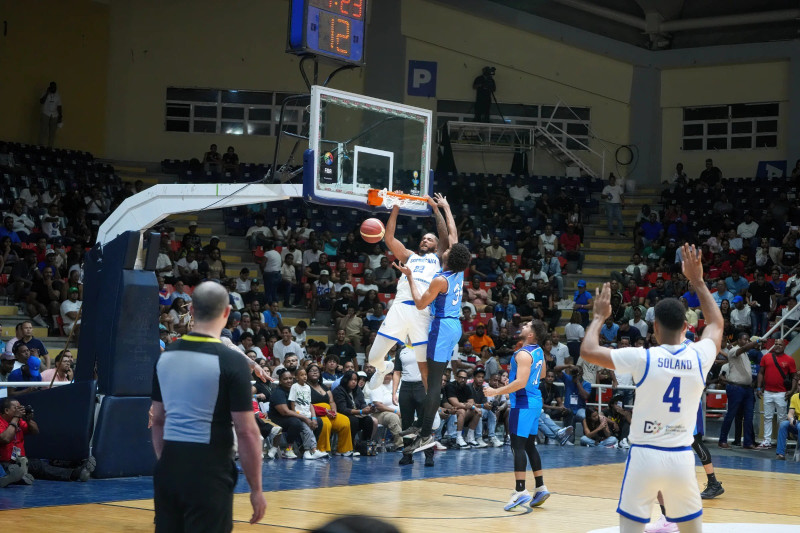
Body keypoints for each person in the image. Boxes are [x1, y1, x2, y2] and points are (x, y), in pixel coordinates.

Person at [579, 244, 723, 533]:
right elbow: (716, 324)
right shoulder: (699, 356)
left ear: (654, 327)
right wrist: (697, 281)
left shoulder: (642, 358)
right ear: (686, 327)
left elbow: (588, 350)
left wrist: (598, 317)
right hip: (680, 457)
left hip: (644, 456)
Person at [150, 281, 266, 531]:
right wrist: (256, 489)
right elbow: (247, 431)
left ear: (192, 310)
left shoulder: (166, 356)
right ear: (227, 312)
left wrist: (166, 463)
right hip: (209, 470)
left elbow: (157, 420)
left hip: (168, 466)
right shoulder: (231, 361)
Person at [366, 194, 455, 391]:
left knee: (424, 368)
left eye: (429, 239)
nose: (425, 240)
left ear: (436, 245)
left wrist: (435, 209)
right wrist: (396, 207)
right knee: (373, 358)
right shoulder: (409, 256)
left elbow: (444, 236)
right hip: (399, 309)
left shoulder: (438, 258)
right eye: (423, 238)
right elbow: (389, 239)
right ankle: (383, 369)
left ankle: (432, 404)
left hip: (421, 312)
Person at [395, 239, 472, 455]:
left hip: (442, 328)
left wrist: (410, 277)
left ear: (450, 257)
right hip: (454, 326)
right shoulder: (459, 272)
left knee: (433, 382)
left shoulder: (440, 279)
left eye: (449, 249)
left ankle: (425, 432)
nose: (446, 248)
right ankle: (421, 424)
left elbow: (421, 304)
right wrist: (443, 216)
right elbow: (453, 236)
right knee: (432, 379)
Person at [484, 320, 551, 510]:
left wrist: (496, 391)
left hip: (523, 404)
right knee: (529, 445)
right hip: (535, 401)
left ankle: (520, 490)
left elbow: (521, 382)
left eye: (527, 325)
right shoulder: (538, 351)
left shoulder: (523, 354)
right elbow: (542, 374)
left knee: (517, 446)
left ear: (531, 335)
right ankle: (540, 487)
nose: (523, 325)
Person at [39, 81, 62, 148]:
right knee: (43, 131)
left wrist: (60, 116)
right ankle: (41, 146)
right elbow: (41, 101)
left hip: (54, 115)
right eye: (52, 87)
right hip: (46, 114)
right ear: (50, 87)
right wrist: (47, 93)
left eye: (55, 87)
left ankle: (50, 147)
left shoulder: (58, 95)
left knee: (52, 133)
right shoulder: (45, 93)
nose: (54, 88)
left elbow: (59, 106)